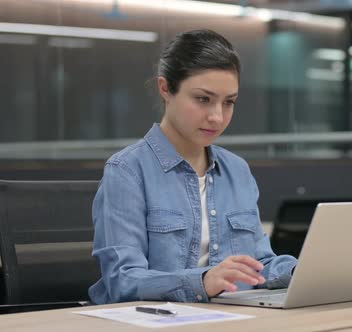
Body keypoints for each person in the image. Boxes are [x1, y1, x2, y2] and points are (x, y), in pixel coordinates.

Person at [89, 29, 297, 304]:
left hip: (229, 318)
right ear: (166, 89)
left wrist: (301, 271)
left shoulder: (237, 170)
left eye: (229, 102)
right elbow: (123, 280)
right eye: (203, 99)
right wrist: (203, 281)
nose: (217, 116)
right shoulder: (127, 171)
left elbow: (258, 265)